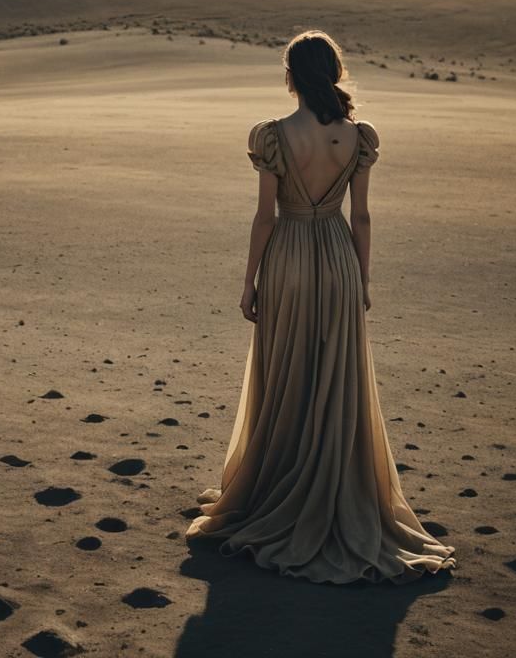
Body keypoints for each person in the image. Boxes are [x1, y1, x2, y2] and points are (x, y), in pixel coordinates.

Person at [185, 29, 457, 585]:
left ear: (291, 77)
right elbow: (362, 217)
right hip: (336, 258)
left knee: (286, 371)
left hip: (287, 257)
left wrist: (248, 282)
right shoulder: (357, 137)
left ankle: (279, 482)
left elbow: (265, 217)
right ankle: (334, 483)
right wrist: (361, 277)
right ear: (333, 72)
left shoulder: (273, 136)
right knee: (336, 375)